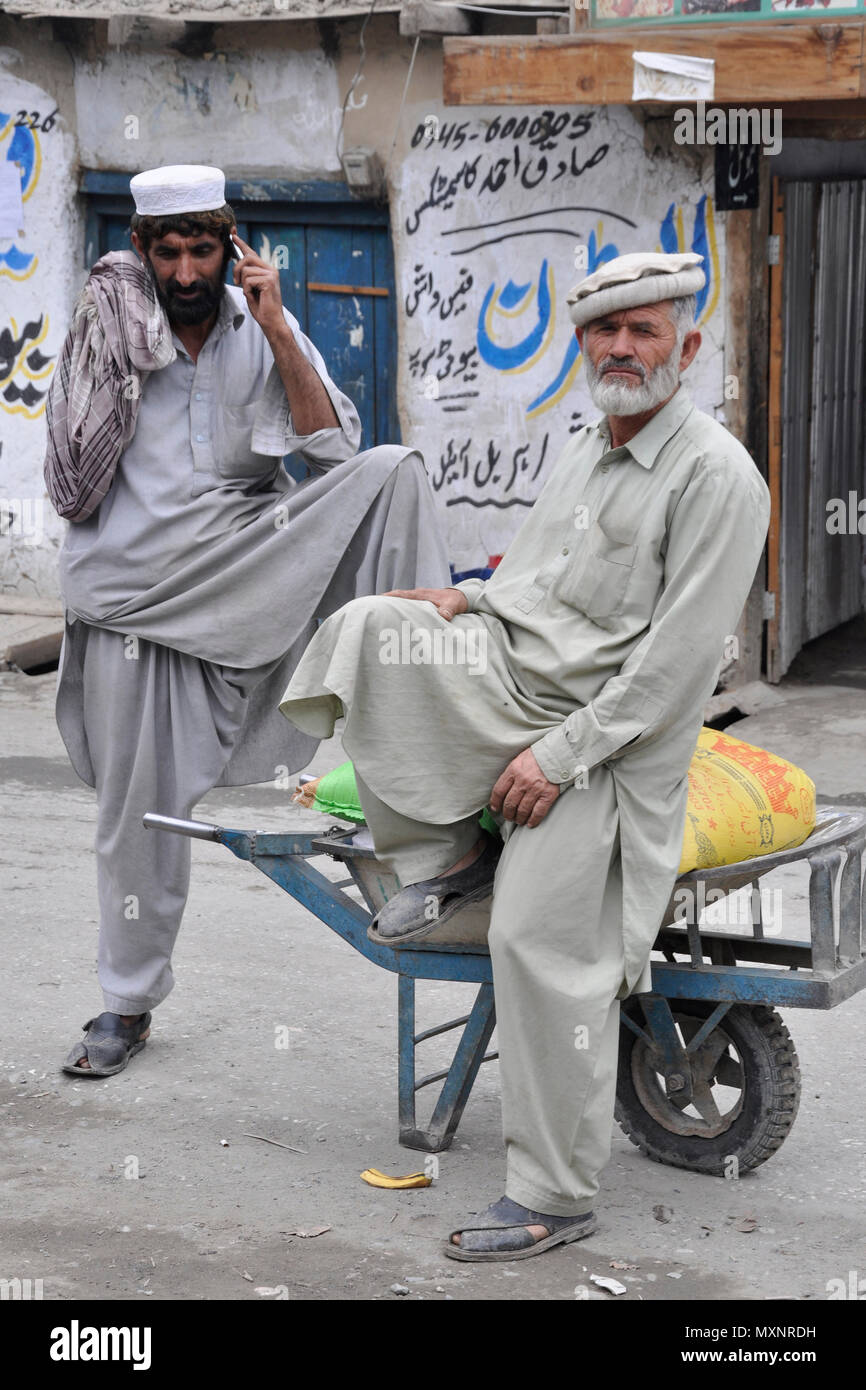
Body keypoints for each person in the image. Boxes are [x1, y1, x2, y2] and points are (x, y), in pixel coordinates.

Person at [279, 251, 771, 1260]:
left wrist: (557, 758)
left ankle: (554, 1193)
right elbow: (537, 580)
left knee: (535, 946)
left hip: (610, 747)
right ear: (582, 344)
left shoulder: (718, 478)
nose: (622, 347)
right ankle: (455, 847)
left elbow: (674, 670)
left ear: (684, 345)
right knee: (379, 630)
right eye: (604, 330)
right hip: (516, 682)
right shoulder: (586, 447)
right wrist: (469, 600)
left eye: (643, 330)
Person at [44, 164, 449, 1077]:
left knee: (392, 470)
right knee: (135, 816)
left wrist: (274, 330)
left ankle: (436, 701)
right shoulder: (109, 331)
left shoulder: (259, 324)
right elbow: (69, 473)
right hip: (133, 596)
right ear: (143, 251)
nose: (187, 273)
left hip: (248, 562)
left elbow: (331, 448)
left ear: (231, 247)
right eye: (169, 252)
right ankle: (125, 1005)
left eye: (204, 249)